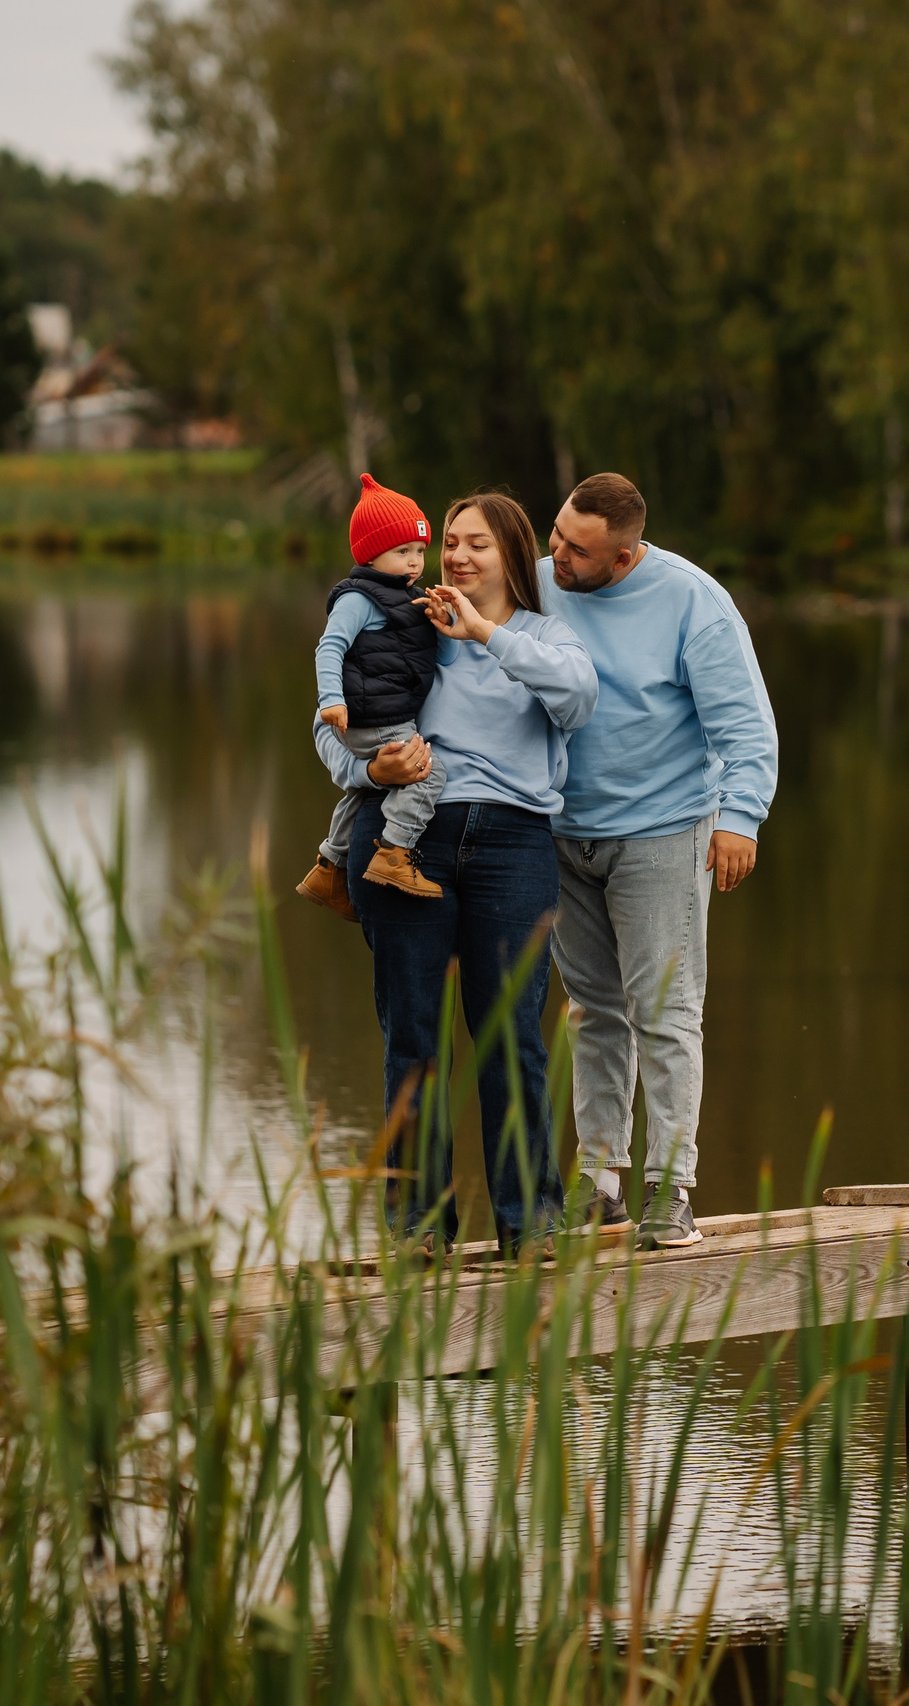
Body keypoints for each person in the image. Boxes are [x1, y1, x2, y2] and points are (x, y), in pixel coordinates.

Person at [331, 492, 596, 1257]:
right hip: (405, 841)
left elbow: (579, 702)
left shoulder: (549, 636)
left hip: (513, 845)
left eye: (475, 543)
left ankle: (532, 1222)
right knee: (412, 1035)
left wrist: (484, 632)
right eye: (449, 542)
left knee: (512, 1036)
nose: (456, 556)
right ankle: (417, 1227)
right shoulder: (397, 623)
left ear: (512, 552)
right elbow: (329, 724)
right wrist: (372, 763)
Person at [538, 472, 777, 1249]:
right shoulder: (539, 583)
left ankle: (669, 1189)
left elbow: (745, 722)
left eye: (578, 550)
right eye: (557, 536)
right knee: (592, 1009)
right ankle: (600, 1180)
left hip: (664, 830)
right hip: (563, 830)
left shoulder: (692, 600)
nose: (559, 556)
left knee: (666, 1015)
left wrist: (739, 817)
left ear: (627, 553)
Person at [296, 474, 446, 920]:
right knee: (428, 773)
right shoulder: (358, 599)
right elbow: (330, 647)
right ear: (370, 554)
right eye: (403, 552)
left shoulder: (403, 595)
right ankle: (395, 853)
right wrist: (331, 701)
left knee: (364, 794)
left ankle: (328, 867)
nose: (415, 562)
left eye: (419, 551)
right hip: (374, 717)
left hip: (381, 713)